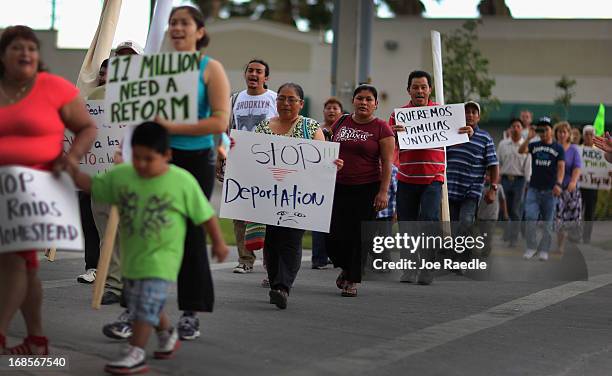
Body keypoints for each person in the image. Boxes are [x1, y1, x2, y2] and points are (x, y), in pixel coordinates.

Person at [67, 122, 228, 375]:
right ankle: (166, 334)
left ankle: (136, 352)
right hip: (133, 257)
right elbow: (95, 186)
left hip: (163, 257)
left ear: (167, 155)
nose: (141, 164)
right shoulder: (123, 176)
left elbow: (205, 215)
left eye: (148, 159)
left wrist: (218, 243)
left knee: (145, 301)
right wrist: (71, 170)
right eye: (137, 157)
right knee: (145, 300)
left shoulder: (181, 181)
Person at [0, 25, 97, 354]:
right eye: (17, 47)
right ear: (3, 55)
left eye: (31, 47)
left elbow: (86, 127)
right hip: (2, 187)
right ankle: (36, 339)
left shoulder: (53, 88)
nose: (26, 53)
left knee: (14, 258)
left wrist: (72, 158)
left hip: (39, 187)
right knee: (25, 263)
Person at [150, 5, 230, 340]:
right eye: (172, 23)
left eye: (184, 23)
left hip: (196, 159)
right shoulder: (153, 69)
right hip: (156, 158)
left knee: (190, 236)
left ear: (199, 31)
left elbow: (219, 121)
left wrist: (172, 126)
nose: (176, 28)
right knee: (149, 230)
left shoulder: (210, 69)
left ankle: (190, 313)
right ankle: (139, 308)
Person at [254, 82, 341, 308]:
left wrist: (332, 164)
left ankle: (283, 287)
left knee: (291, 239)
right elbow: (251, 158)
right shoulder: (263, 127)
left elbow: (323, 160)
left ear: (301, 104)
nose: (285, 103)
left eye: (291, 99)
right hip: (268, 195)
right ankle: (275, 283)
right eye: (282, 98)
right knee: (272, 241)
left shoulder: (311, 128)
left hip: (299, 196)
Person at [389, 70, 472, 284]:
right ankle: (409, 268)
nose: (419, 91)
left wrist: (466, 132)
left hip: (433, 178)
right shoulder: (398, 116)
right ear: (408, 90)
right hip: (406, 178)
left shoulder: (441, 113)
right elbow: (389, 145)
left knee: (428, 221)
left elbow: (456, 135)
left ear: (430, 90)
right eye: (415, 87)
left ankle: (426, 268)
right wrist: (393, 133)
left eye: (423, 87)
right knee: (407, 225)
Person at [326, 84, 394, 297]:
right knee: (334, 235)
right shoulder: (342, 121)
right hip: (338, 186)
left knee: (358, 236)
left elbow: (388, 162)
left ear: (375, 104)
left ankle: (352, 279)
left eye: (368, 99)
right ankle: (346, 268)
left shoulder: (382, 128)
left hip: (367, 188)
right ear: (353, 101)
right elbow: (327, 147)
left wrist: (383, 192)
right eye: (360, 98)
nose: (363, 102)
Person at [225, 59, 278, 275]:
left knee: (268, 213)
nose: (253, 74)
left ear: (266, 77)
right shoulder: (235, 99)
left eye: (259, 71)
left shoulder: (274, 98)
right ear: (245, 74)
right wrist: (223, 157)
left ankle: (270, 262)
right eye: (250, 70)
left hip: (268, 162)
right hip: (240, 161)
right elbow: (226, 128)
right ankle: (245, 259)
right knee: (239, 211)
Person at [519, 117, 565, 261]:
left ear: (551, 130)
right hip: (533, 189)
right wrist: (529, 138)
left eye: (546, 128)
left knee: (547, 223)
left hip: (550, 191)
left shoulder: (558, 148)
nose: (543, 131)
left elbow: (561, 168)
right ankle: (531, 247)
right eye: (541, 129)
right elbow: (521, 151)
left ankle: (544, 250)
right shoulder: (534, 144)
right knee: (530, 218)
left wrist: (558, 184)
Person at [446, 101, 499, 223]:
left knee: (466, 222)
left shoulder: (485, 138)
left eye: (473, 112)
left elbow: (494, 165)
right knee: (451, 227)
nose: (470, 115)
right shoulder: (451, 134)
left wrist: (493, 189)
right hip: (450, 189)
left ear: (478, 117)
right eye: (467, 112)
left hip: (471, 190)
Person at [311, 96, 343, 269]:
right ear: (323, 111)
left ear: (341, 112)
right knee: (318, 220)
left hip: (340, 180)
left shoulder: (345, 131)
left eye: (335, 108)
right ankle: (319, 258)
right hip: (319, 180)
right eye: (328, 107)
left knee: (336, 221)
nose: (331, 110)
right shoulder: (316, 130)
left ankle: (334, 255)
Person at [497, 118, 531, 246]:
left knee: (515, 210)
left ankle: (513, 238)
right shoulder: (503, 144)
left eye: (518, 126)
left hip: (519, 180)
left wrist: (527, 183)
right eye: (513, 126)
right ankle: (506, 233)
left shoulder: (526, 147)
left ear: (522, 129)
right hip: (505, 179)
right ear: (510, 129)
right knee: (504, 209)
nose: (515, 128)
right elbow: (498, 162)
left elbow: (528, 166)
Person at [553, 121, 582, 254]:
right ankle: (560, 245)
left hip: (570, 189)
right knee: (559, 218)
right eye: (559, 131)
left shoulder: (573, 150)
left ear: (569, 134)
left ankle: (569, 244)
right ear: (556, 133)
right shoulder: (553, 148)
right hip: (557, 188)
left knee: (571, 218)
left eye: (564, 132)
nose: (562, 134)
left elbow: (577, 168)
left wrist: (573, 181)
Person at [476, 174, 508, 258]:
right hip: (480, 216)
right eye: (486, 176)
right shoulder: (480, 186)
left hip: (492, 216)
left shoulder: (498, 187)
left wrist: (505, 213)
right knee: (483, 234)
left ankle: (486, 251)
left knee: (488, 234)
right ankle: (485, 248)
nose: (487, 178)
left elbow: (503, 200)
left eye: (490, 176)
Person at [580, 125, 602, 243]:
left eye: (591, 134)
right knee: (577, 211)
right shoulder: (578, 150)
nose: (588, 136)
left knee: (589, 212)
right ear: (583, 136)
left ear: (594, 137)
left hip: (593, 187)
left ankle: (586, 237)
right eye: (586, 134)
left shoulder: (599, 153)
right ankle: (576, 234)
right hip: (579, 186)